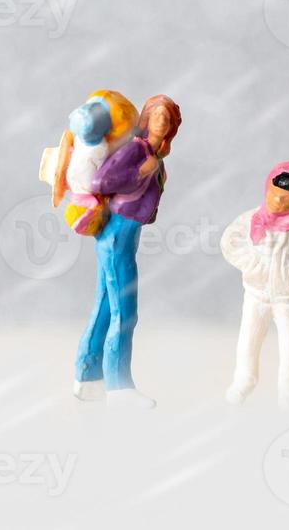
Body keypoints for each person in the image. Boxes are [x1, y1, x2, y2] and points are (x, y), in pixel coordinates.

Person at [73, 93, 181, 408]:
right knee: (125, 309)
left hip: (125, 231)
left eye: (168, 118)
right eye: (158, 115)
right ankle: (119, 388)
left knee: (107, 305)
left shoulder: (154, 155)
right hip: (118, 230)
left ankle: (87, 376)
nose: (163, 121)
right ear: (146, 119)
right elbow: (101, 180)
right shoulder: (137, 150)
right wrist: (141, 172)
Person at [221, 161, 289, 409]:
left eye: (286, 199)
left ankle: (288, 392)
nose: (279, 202)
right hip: (256, 294)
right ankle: (243, 381)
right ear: (266, 189)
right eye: (275, 195)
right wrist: (250, 264)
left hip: (287, 299)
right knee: (248, 339)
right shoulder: (252, 219)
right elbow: (229, 240)